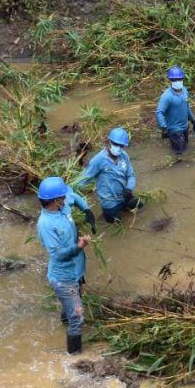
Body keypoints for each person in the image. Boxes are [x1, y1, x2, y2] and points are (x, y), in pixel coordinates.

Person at [36, 176, 91, 355]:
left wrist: (87, 211)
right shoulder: (45, 224)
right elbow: (57, 254)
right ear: (55, 200)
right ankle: (74, 357)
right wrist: (78, 247)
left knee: (70, 310)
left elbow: (75, 197)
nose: (67, 198)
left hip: (76, 270)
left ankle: (64, 322)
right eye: (63, 196)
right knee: (77, 316)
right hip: (63, 277)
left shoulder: (63, 206)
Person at [74, 127, 143, 223]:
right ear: (109, 142)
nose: (118, 148)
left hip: (124, 195)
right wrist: (71, 192)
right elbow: (84, 179)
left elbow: (131, 175)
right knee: (117, 223)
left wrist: (129, 188)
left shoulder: (124, 156)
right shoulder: (98, 160)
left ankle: (119, 210)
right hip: (109, 201)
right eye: (116, 144)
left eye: (121, 145)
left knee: (140, 206)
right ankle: (106, 215)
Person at [155, 66, 195, 156]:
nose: (177, 82)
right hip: (174, 130)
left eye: (179, 79)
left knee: (186, 147)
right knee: (179, 152)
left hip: (185, 127)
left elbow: (187, 107)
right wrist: (164, 128)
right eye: (174, 80)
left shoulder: (185, 91)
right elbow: (159, 112)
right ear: (170, 80)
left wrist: (193, 120)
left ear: (182, 79)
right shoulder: (167, 96)